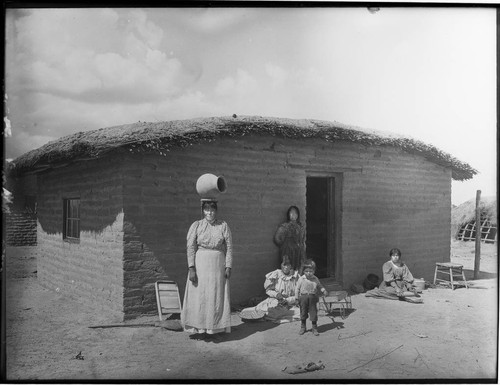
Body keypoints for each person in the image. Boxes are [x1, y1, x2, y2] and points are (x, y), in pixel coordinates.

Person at [181, 200, 233, 340]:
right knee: (201, 296)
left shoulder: (223, 225)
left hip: (217, 265)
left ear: (216, 211)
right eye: (207, 210)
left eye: (212, 210)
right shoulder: (197, 225)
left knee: (215, 296)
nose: (209, 213)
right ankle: (200, 329)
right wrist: (191, 267)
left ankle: (214, 329)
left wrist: (228, 266)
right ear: (203, 211)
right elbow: (190, 247)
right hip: (201, 264)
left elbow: (229, 247)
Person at [239, 256, 300, 323]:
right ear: (281, 265)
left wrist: (288, 300)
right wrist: (276, 294)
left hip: (290, 303)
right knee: (264, 309)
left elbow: (299, 294)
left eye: (288, 265)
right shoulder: (276, 274)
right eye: (284, 265)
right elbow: (268, 290)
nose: (286, 267)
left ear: (291, 266)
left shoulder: (296, 276)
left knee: (297, 312)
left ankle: (262, 318)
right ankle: (255, 316)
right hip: (276, 300)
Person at [294, 260, 327, 336]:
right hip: (303, 298)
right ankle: (303, 327)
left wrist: (323, 290)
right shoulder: (301, 279)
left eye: (310, 271)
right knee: (303, 312)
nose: (308, 273)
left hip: (313, 298)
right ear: (303, 271)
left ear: (314, 271)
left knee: (313, 312)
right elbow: (297, 289)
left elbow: (319, 286)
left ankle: (314, 328)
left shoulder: (315, 279)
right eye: (306, 271)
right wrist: (296, 298)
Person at [273, 206, 306, 272]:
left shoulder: (300, 226)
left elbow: (303, 239)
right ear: (288, 214)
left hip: (298, 252)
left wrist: (301, 247)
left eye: (295, 213)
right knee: (288, 268)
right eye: (291, 213)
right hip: (288, 252)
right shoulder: (284, 226)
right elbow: (277, 238)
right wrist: (285, 246)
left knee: (298, 268)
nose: (293, 215)